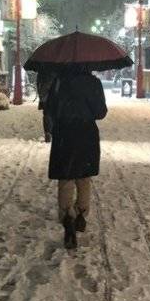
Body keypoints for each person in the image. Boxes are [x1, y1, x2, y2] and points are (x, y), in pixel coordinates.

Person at [46, 69, 107, 249]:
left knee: (66, 177)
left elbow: (50, 108)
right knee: (83, 176)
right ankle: (81, 214)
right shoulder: (94, 83)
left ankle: (67, 217)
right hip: (86, 133)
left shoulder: (58, 82)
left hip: (64, 132)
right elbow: (101, 112)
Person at [36, 71, 56, 143]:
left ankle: (48, 132)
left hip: (45, 97)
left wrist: (41, 96)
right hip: (56, 96)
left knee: (47, 114)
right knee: (54, 114)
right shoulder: (60, 70)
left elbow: (38, 84)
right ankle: (53, 131)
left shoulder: (42, 71)